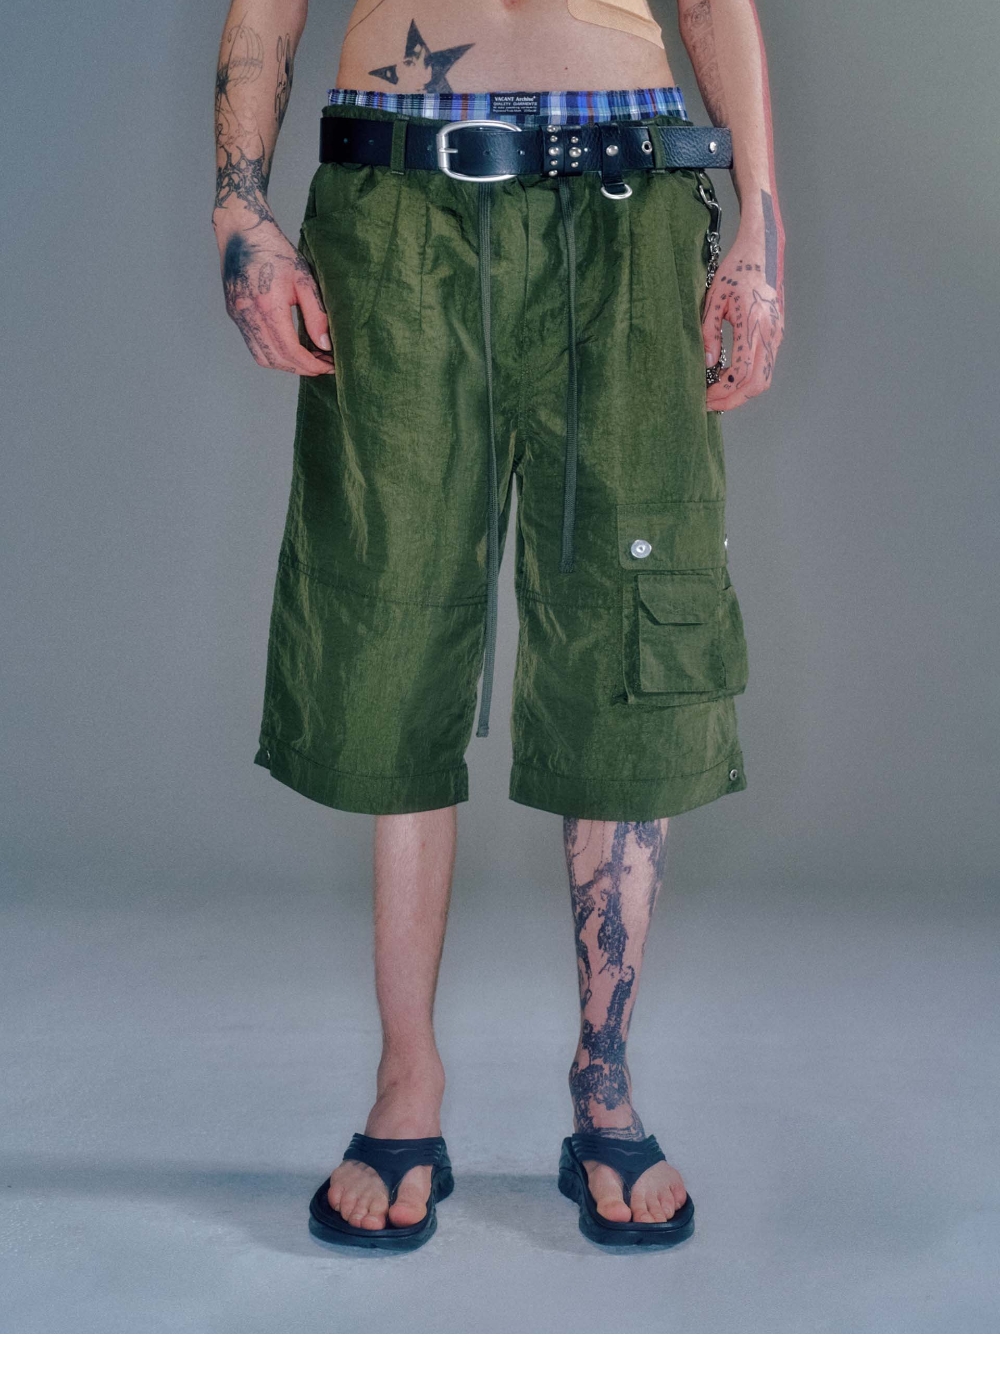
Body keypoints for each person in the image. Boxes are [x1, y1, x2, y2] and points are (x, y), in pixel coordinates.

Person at [214, 0, 784, 1251]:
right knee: (390, 617)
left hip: (626, 201)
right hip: (398, 201)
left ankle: (604, 1079)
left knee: (634, 622)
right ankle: (405, 1080)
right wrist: (239, 210)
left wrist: (759, 229)